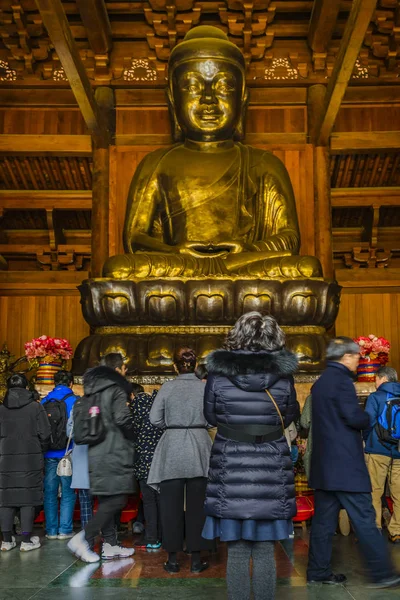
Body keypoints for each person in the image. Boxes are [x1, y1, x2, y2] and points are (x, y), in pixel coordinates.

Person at [202, 312, 298, 600]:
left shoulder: (219, 373)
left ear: (237, 335)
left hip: (231, 463)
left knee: (238, 549)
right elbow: (290, 413)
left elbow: (210, 415)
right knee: (267, 548)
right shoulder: (283, 375)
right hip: (271, 464)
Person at [307, 337, 400, 588]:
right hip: (346, 466)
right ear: (346, 356)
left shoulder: (321, 383)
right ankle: (383, 573)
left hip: (324, 467)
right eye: (357, 356)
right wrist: (367, 416)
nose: (359, 360)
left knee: (323, 524)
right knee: (365, 519)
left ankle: (318, 570)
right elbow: (353, 418)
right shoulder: (343, 383)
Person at [147, 347, 213, 574]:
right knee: (198, 506)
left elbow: (154, 419)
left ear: (175, 366)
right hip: (199, 446)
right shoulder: (204, 387)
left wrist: (173, 424)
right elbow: (213, 420)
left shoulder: (167, 387)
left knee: (170, 506)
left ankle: (173, 560)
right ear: (195, 365)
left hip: (172, 446)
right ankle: (196, 560)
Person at [68, 353, 135, 563]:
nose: (125, 372)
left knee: (108, 499)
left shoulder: (91, 392)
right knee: (117, 499)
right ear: (116, 370)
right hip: (113, 451)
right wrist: (135, 435)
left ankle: (110, 544)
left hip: (96, 452)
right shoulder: (115, 390)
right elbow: (122, 419)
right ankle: (84, 538)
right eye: (124, 368)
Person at [0, 374, 51, 552]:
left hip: (5, 459)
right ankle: (26, 541)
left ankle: (6, 540)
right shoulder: (35, 408)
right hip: (30, 460)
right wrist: (40, 449)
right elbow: (45, 434)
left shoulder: (1, 409)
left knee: (6, 499)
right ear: (27, 387)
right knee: (27, 499)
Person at [364, 366, 400, 543]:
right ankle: (397, 531)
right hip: (399, 452)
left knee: (375, 491)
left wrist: (366, 440)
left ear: (383, 378)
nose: (375, 382)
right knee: (398, 493)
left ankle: (375, 529)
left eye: (376, 379)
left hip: (378, 450)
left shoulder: (375, 397)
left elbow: (368, 421)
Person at [42, 370, 78, 540]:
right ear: (71, 383)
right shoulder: (75, 401)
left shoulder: (44, 401)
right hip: (68, 452)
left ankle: (50, 530)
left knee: (49, 492)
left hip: (49, 452)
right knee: (68, 492)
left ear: (53, 383)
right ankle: (65, 530)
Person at [129, 384, 163, 549]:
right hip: (159, 461)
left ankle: (151, 537)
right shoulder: (157, 409)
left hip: (143, 462)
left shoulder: (136, 411)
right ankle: (162, 535)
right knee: (160, 500)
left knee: (148, 501)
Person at [67, 407, 92, 530]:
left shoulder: (77, 407)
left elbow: (69, 433)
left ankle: (87, 533)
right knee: (106, 502)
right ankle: (108, 535)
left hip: (81, 457)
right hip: (101, 460)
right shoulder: (104, 405)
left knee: (85, 501)